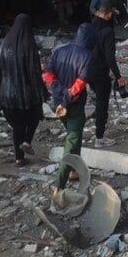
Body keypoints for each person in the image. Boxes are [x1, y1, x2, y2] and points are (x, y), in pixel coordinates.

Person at [44, 24, 96, 193]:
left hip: (57, 105)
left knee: (75, 137)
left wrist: (59, 93)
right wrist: (67, 99)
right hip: (73, 107)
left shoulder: (59, 51)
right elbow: (79, 86)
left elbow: (48, 76)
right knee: (71, 144)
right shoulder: (87, 56)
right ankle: (59, 184)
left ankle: (75, 171)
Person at [0, 14, 49, 166]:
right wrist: (42, 91)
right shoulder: (28, 44)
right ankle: (27, 142)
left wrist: (2, 89)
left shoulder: (5, 43)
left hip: (7, 94)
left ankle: (19, 158)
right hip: (25, 94)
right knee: (34, 117)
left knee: (17, 127)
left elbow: (0, 69)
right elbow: (34, 72)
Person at [90, 2, 126, 148]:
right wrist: (118, 76)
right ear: (109, 14)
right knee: (102, 104)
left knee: (95, 100)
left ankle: (95, 133)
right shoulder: (107, 31)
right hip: (100, 72)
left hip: (86, 70)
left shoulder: (90, 27)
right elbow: (110, 57)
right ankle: (99, 137)